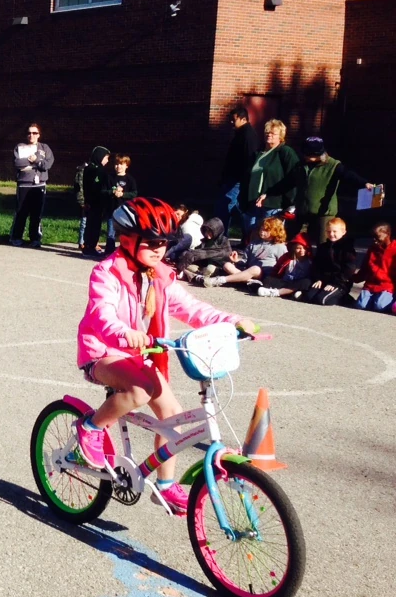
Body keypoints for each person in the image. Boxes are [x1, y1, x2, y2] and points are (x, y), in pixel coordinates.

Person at [72, 197, 257, 514]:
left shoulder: (159, 278)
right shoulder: (106, 273)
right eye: (151, 243)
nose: (158, 250)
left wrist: (232, 321)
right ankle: (89, 427)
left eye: (163, 243)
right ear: (128, 240)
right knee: (140, 391)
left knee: (173, 415)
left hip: (139, 355)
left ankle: (166, 486)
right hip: (102, 351)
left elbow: (192, 309)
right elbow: (102, 313)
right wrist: (124, 332)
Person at [296, 136, 376, 244]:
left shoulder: (333, 165)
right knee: (298, 243)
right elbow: (288, 181)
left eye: (308, 154)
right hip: (303, 210)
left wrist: (364, 183)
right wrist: (269, 193)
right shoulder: (302, 165)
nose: (305, 156)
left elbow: (348, 175)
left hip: (324, 212)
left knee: (324, 243)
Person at [240, 119, 301, 242]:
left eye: (273, 133)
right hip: (253, 203)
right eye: (267, 132)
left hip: (273, 204)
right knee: (252, 236)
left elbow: (293, 178)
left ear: (281, 136)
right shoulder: (258, 153)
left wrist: (289, 203)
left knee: (270, 237)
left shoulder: (285, 152)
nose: (269, 135)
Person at [202, 216, 287, 288]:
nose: (262, 231)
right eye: (261, 228)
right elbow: (245, 261)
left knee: (255, 269)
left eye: (266, 230)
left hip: (264, 275)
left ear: (276, 232)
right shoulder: (254, 243)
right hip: (248, 271)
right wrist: (236, 261)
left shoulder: (280, 246)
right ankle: (250, 282)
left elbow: (284, 265)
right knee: (227, 265)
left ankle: (222, 279)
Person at [214, 107, 260, 236]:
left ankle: (222, 238)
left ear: (243, 119)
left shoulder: (247, 136)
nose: (231, 122)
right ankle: (246, 236)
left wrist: (244, 179)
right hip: (233, 178)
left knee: (225, 207)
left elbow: (249, 159)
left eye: (233, 120)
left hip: (237, 179)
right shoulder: (241, 134)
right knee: (235, 208)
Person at [10, 123, 54, 247]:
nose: (31, 135)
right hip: (24, 184)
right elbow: (17, 163)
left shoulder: (44, 148)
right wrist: (33, 162)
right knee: (21, 212)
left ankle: (35, 238)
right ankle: (16, 237)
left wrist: (36, 161)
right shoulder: (20, 147)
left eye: (34, 133)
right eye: (29, 133)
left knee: (36, 213)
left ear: (39, 135)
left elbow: (47, 165)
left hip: (39, 185)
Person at [302, 217, 356, 305]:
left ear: (343, 232)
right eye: (328, 231)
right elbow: (316, 265)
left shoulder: (347, 249)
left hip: (339, 282)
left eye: (335, 231)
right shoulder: (323, 247)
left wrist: (336, 283)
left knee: (321, 300)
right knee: (309, 297)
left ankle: (344, 297)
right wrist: (318, 279)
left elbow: (349, 269)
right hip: (324, 280)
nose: (331, 234)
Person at [253, 234, 314, 298]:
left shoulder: (310, 261)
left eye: (304, 248)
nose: (302, 250)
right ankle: (290, 293)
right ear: (293, 249)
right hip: (285, 282)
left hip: (298, 283)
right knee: (267, 280)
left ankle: (276, 292)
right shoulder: (287, 257)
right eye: (298, 248)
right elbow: (276, 269)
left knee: (306, 282)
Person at [75, 146, 110, 255]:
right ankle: (90, 246)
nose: (107, 161)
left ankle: (88, 245)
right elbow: (95, 186)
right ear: (100, 157)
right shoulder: (97, 170)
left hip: (91, 201)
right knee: (94, 226)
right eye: (106, 158)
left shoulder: (89, 168)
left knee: (91, 224)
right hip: (95, 202)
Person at [354, 222, 395, 313]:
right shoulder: (372, 249)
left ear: (387, 234)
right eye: (373, 238)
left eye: (378, 237)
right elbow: (365, 267)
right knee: (360, 305)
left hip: (387, 286)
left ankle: (389, 300)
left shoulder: (394, 249)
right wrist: (355, 278)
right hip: (371, 285)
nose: (375, 240)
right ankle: (374, 299)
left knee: (380, 306)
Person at [102, 154, 138, 251]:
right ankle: (109, 251)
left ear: (126, 165)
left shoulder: (130, 179)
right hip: (112, 209)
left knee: (125, 232)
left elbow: (134, 193)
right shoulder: (109, 178)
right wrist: (113, 192)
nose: (118, 166)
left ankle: (125, 251)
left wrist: (123, 194)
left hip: (125, 211)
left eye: (121, 164)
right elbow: (103, 191)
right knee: (111, 232)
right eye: (116, 164)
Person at [163, 204, 204, 269]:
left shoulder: (191, 220)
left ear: (186, 212)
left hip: (191, 244)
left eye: (181, 215)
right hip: (182, 248)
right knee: (173, 255)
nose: (179, 217)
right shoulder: (176, 224)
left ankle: (166, 254)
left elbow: (193, 238)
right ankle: (168, 254)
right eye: (177, 214)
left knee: (187, 237)